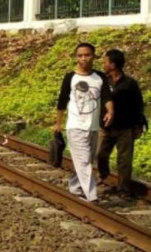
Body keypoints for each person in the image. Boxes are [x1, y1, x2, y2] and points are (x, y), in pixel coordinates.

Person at [54, 42, 114, 203]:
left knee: (85, 160)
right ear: (76, 57)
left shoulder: (100, 77)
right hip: (75, 125)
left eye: (87, 55)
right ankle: (91, 195)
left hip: (93, 125)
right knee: (84, 161)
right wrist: (58, 123)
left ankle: (74, 186)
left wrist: (110, 111)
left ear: (93, 56)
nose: (84, 58)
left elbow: (106, 96)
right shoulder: (70, 77)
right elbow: (62, 101)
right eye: (80, 55)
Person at [97, 49, 145, 197]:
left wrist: (139, 125)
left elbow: (138, 105)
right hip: (105, 127)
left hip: (125, 127)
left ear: (113, 65)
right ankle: (103, 173)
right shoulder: (101, 81)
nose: (103, 64)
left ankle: (123, 189)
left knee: (124, 160)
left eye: (105, 62)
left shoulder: (130, 83)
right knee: (100, 154)